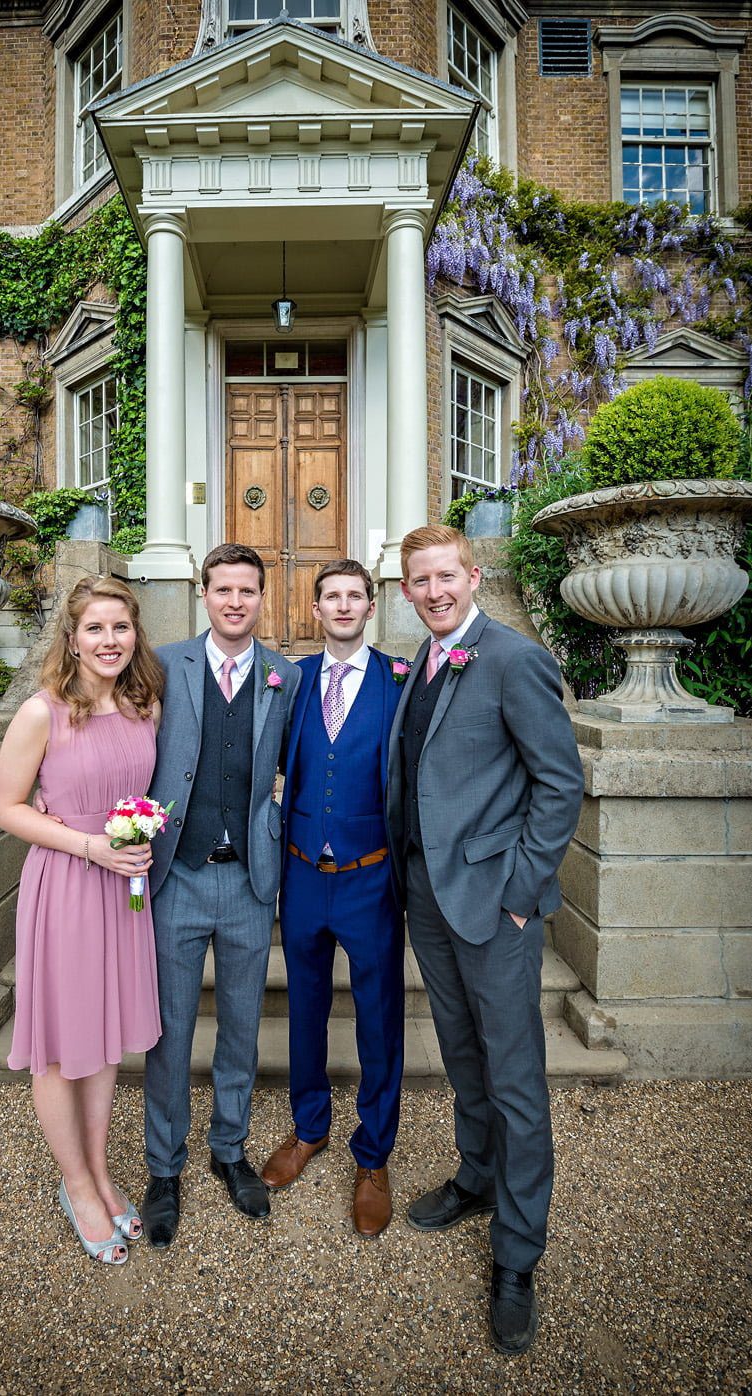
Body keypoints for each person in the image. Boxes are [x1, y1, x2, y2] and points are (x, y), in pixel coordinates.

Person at [386, 524, 583, 1355]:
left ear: (472, 576)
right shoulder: (421, 664)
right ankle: (474, 1175)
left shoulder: (508, 657)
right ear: (406, 591)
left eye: (445, 577)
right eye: (419, 581)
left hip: (491, 899)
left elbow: (559, 781)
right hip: (426, 893)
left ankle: (516, 1253)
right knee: (462, 1051)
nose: (433, 591)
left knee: (514, 1075)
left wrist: (520, 892)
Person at [0, 575, 164, 1266]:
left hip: (123, 891)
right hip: (67, 881)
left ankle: (97, 1169)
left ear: (133, 634)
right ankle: (76, 1185)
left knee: (107, 1037)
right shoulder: (42, 711)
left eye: (120, 628)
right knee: (63, 1046)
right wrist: (89, 844)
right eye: (95, 628)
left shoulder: (141, 705)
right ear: (71, 636)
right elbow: (6, 808)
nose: (109, 640)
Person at [140, 543, 301, 1249]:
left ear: (262, 598)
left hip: (246, 877)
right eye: (223, 589)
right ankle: (163, 1167)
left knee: (240, 1027)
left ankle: (228, 1148)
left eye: (247, 590)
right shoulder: (163, 665)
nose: (235, 601)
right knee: (169, 1031)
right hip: (175, 873)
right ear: (203, 593)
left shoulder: (284, 676)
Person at [261, 559, 405, 1237]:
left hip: (370, 877)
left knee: (379, 1020)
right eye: (331, 598)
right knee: (305, 1011)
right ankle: (308, 1127)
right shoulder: (290, 682)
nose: (343, 606)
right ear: (315, 610)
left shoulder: (399, 681)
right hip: (301, 876)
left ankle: (373, 1157)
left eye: (354, 596)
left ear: (369, 607)